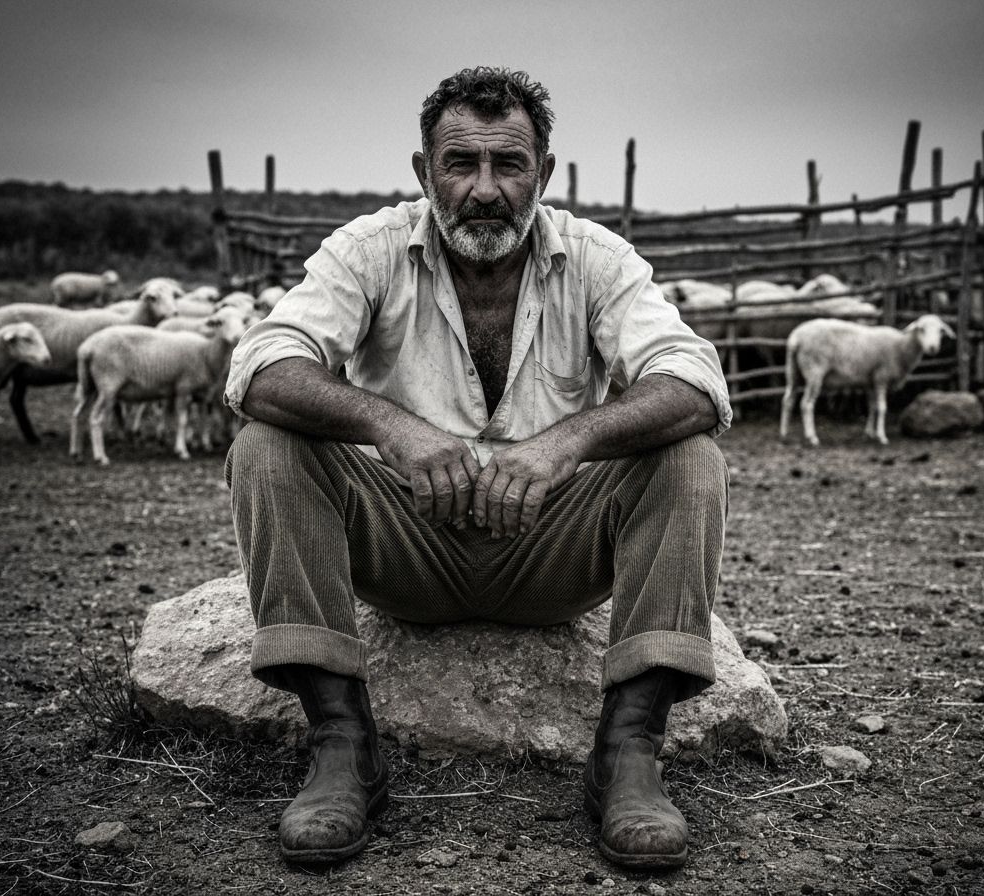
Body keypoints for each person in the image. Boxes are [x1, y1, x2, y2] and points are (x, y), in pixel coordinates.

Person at [223, 66, 733, 870]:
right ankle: (341, 746)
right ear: (424, 171)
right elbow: (261, 366)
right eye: (461, 164)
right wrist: (390, 427)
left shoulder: (598, 259)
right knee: (266, 445)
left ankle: (628, 754)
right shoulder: (369, 250)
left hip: (551, 551)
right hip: (407, 545)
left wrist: (562, 444)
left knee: (688, 457)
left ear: (546, 173)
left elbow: (696, 381)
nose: (485, 189)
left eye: (510, 164)